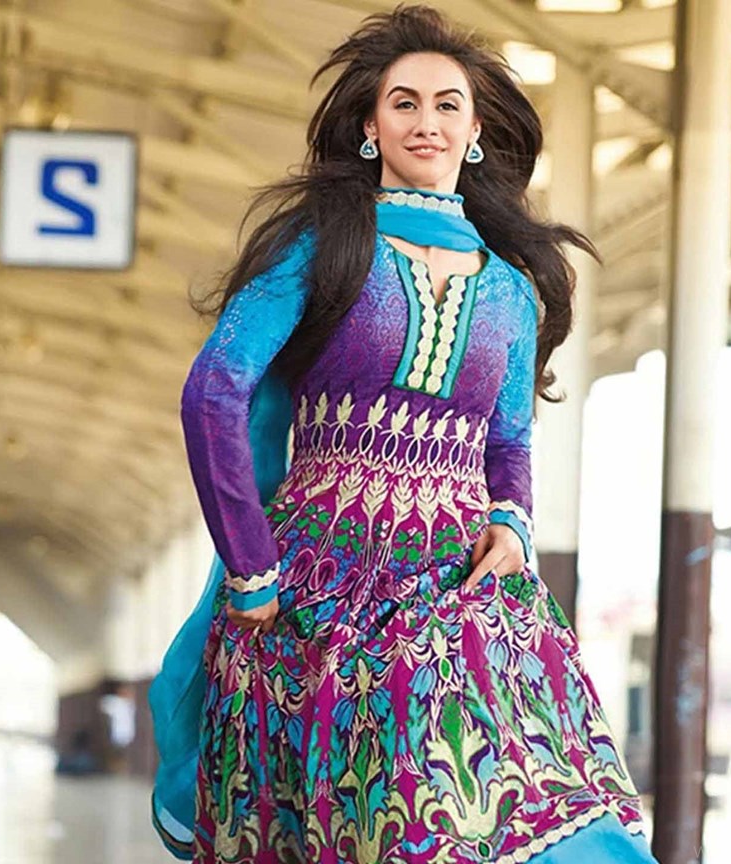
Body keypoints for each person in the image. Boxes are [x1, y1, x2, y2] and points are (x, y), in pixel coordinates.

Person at [149, 5, 659, 862]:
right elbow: (214, 392)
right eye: (405, 103)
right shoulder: (323, 247)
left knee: (555, 819)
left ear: (476, 132)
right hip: (314, 595)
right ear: (370, 127)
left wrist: (513, 520)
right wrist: (250, 566)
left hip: (464, 589)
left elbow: (508, 439)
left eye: (448, 105)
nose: (428, 121)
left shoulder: (511, 288)